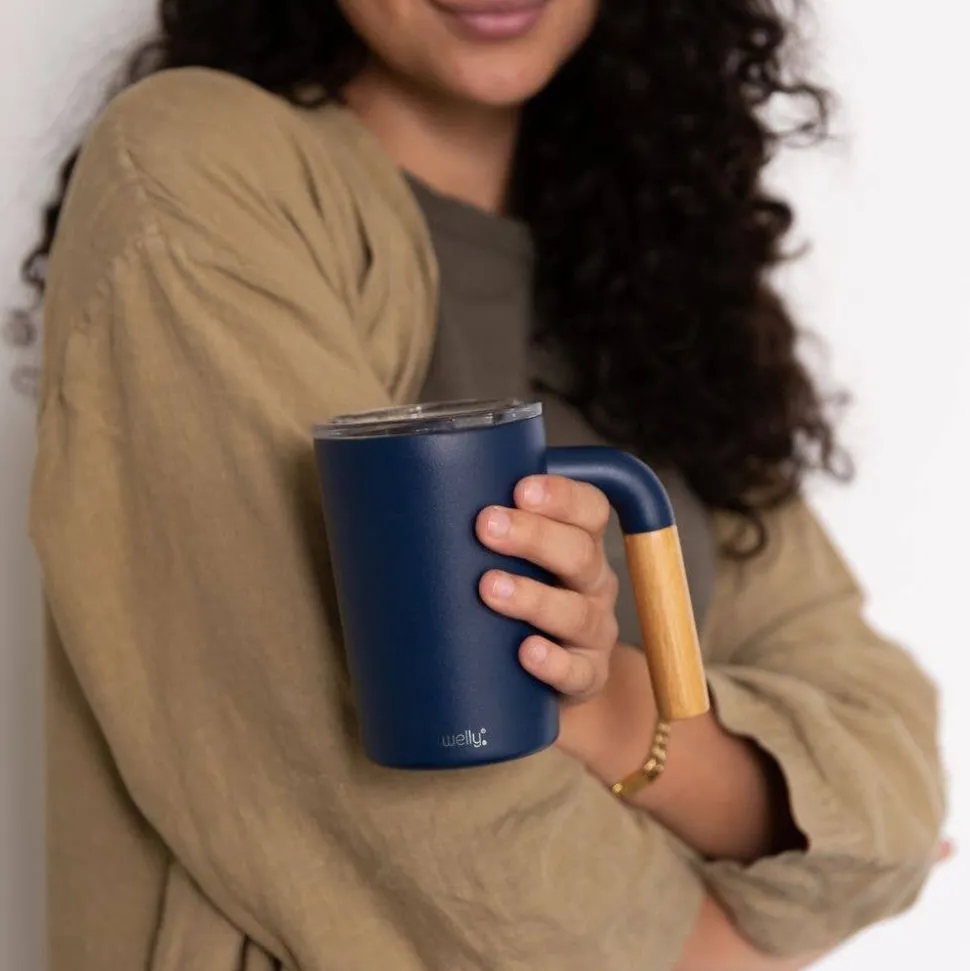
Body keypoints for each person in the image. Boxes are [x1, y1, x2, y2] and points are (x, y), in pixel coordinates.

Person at [18, 1, 947, 969]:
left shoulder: (658, 284)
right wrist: (725, 942)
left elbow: (887, 771)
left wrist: (616, 715)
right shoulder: (199, 172)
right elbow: (389, 798)